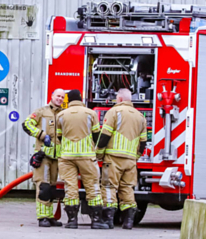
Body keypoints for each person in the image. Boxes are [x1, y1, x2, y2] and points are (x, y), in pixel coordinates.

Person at [98, 89, 148, 230]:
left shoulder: (113, 112)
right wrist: (136, 156)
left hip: (113, 157)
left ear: (119, 98)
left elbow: (105, 135)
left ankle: (108, 220)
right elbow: (143, 141)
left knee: (109, 187)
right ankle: (129, 221)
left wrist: (99, 154)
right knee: (127, 188)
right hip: (130, 159)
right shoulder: (140, 116)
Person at [55, 89, 103, 229]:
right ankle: (96, 221)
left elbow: (59, 136)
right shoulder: (90, 113)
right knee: (93, 186)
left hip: (67, 156)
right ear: (81, 98)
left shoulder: (61, 115)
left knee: (70, 188)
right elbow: (96, 135)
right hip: (86, 156)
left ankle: (72, 221)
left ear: (68, 100)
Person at [23, 88, 64, 227]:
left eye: (62, 97)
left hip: (56, 157)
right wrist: (41, 135)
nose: (60, 99)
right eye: (58, 96)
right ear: (52, 96)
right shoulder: (41, 111)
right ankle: (42, 217)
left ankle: (50, 215)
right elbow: (27, 124)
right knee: (43, 187)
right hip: (43, 155)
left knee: (52, 189)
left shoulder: (64, 114)